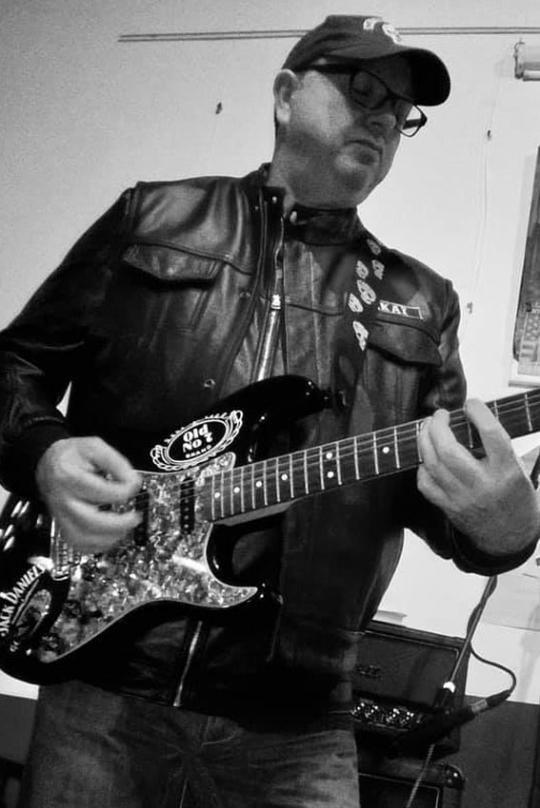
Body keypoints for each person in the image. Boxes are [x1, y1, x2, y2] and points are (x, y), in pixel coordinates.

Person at [0, 13, 538, 808]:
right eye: (364, 89)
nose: (385, 118)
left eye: (401, 112)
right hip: (106, 689)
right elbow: (13, 371)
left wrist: (507, 528)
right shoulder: (155, 220)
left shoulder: (420, 302)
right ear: (287, 95)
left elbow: (444, 498)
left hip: (300, 724)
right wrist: (45, 453)